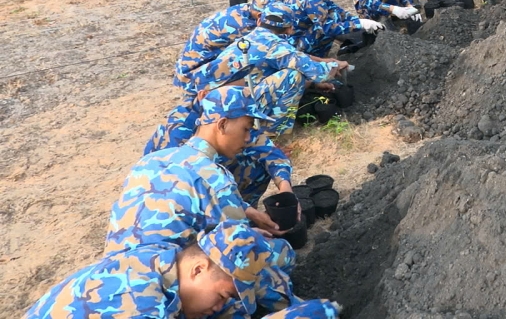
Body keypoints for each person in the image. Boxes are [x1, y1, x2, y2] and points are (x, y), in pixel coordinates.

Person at [27, 222, 341, 319]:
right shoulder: (139, 304)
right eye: (222, 295)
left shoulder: (162, 259)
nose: (221, 305)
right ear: (199, 268)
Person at [183, 3, 348, 134]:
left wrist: (312, 84)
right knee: (293, 77)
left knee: (288, 73)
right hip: (228, 107)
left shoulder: (251, 37)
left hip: (211, 102)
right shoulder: (276, 47)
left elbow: (266, 71)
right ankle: (271, 133)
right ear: (289, 28)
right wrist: (336, 64)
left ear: (261, 20)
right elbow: (319, 72)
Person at [146, 85, 294, 207]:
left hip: (203, 176)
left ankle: (243, 216)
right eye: (246, 129)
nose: (248, 136)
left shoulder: (228, 118)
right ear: (222, 124)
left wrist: (285, 188)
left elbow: (270, 152)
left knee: (258, 163)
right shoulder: (179, 133)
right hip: (172, 197)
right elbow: (187, 190)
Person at [175, 0, 283, 90]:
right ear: (261, 15)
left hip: (193, 69)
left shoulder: (245, 9)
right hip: (193, 79)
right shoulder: (245, 27)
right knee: (266, 67)